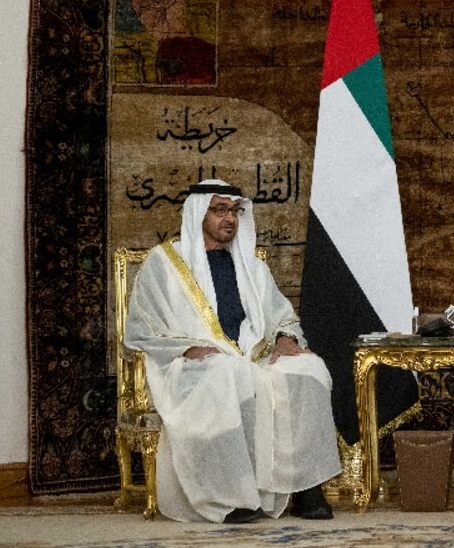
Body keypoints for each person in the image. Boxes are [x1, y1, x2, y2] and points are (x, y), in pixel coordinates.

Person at [125, 179, 341, 523]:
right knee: (226, 374)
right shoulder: (164, 263)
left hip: (251, 355)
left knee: (309, 369)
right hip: (191, 364)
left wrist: (286, 337)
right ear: (198, 214)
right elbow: (142, 326)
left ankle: (304, 488)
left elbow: (281, 314)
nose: (230, 219)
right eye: (219, 210)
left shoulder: (250, 266)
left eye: (234, 211)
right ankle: (230, 498)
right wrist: (186, 347)